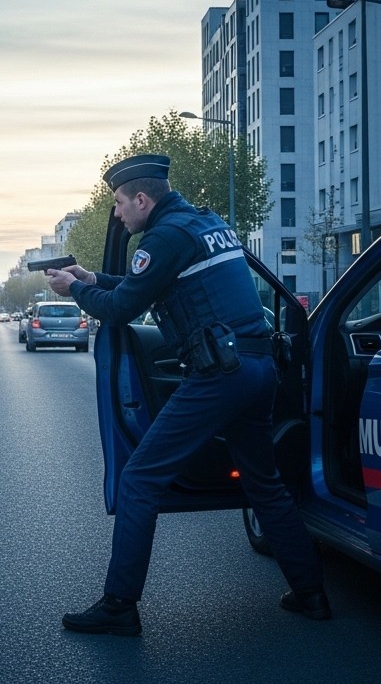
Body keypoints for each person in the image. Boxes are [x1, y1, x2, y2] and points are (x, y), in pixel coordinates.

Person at [47, 153, 330, 636]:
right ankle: (312, 595)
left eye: (118, 203)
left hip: (218, 374)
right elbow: (146, 285)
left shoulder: (164, 237)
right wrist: (92, 279)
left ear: (141, 199)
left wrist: (73, 291)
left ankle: (119, 605)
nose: (116, 214)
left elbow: (120, 310)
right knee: (265, 485)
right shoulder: (203, 223)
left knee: (138, 480)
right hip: (257, 367)